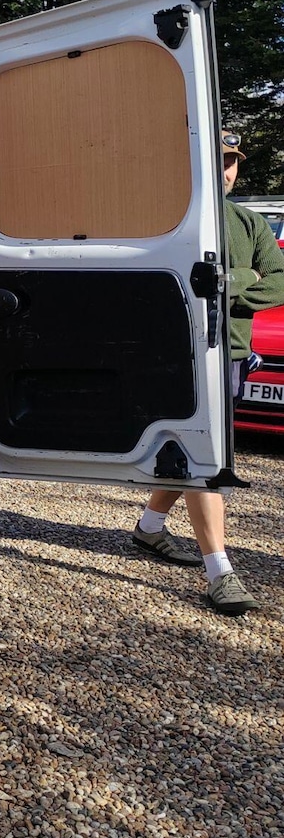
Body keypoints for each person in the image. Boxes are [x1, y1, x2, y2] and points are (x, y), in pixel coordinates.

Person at [131, 127, 284, 616]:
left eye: (231, 161)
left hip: (231, 356)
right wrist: (246, 278)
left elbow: (280, 281)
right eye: (216, 159)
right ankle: (220, 572)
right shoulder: (165, 218)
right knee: (206, 456)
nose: (224, 170)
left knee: (192, 450)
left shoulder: (249, 223)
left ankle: (148, 530)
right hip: (183, 355)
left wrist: (226, 281)